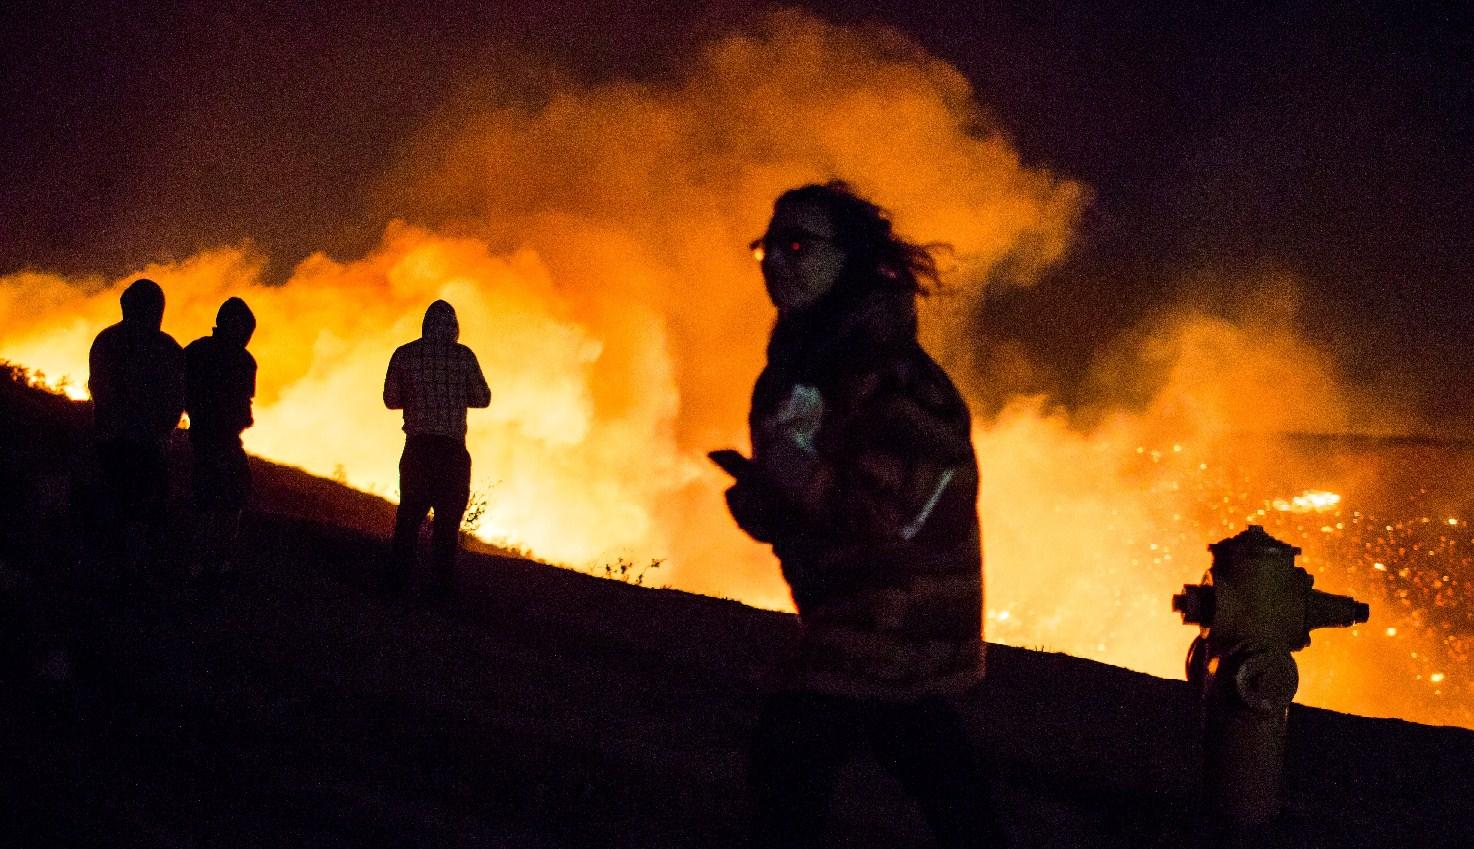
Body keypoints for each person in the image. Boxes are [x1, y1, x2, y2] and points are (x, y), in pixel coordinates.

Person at [713, 182, 1005, 848]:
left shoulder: (894, 377)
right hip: (866, 612)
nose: (775, 262)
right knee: (929, 756)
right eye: (768, 246)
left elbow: (899, 515)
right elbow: (819, 501)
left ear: (849, 259)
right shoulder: (803, 365)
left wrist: (793, 481)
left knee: (790, 758)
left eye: (798, 245)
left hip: (889, 613)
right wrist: (766, 494)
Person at [382, 299, 491, 597]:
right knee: (446, 529)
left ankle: (396, 588)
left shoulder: (405, 354)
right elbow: (482, 397)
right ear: (454, 329)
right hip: (452, 453)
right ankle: (440, 594)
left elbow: (391, 399)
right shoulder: (463, 357)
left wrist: (418, 398)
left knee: (408, 522)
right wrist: (453, 396)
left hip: (418, 450)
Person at [87, 278, 185, 583]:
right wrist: (161, 430)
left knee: (111, 510)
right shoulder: (168, 348)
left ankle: (107, 573)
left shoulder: (106, 340)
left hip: (110, 442)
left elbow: (98, 387)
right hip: (147, 446)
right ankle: (134, 573)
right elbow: (177, 398)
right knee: (144, 513)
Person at [184, 297, 257, 582]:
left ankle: (200, 559)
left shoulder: (196, 351)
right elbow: (242, 406)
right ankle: (215, 560)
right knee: (230, 495)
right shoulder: (240, 360)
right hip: (219, 438)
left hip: (205, 435)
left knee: (209, 497)